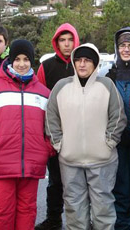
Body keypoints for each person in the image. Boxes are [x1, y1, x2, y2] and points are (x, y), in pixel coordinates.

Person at [0, 39, 53, 230]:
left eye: (26, 59)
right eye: (17, 59)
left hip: (32, 163)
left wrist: (46, 149)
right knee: (1, 213)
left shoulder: (43, 92)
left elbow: (52, 124)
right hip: (1, 162)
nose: (22, 64)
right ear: (9, 60)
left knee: (27, 211)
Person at [45, 43, 127, 230]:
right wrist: (59, 144)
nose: (82, 64)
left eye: (87, 60)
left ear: (95, 63)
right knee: (74, 208)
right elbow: (51, 117)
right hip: (70, 160)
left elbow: (118, 116)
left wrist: (109, 143)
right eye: (79, 60)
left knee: (103, 208)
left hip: (102, 161)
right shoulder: (61, 86)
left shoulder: (106, 85)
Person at [35, 22, 80, 230]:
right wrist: (47, 136)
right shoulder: (46, 67)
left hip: (80, 136)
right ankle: (54, 220)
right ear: (56, 42)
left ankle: (79, 221)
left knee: (79, 184)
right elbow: (40, 103)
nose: (67, 44)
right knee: (55, 183)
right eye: (62, 40)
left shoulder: (83, 63)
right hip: (55, 136)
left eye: (70, 39)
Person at [105, 27, 130, 230]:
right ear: (117, 48)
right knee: (120, 189)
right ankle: (122, 226)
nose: (127, 49)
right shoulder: (110, 75)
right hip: (117, 144)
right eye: (122, 45)